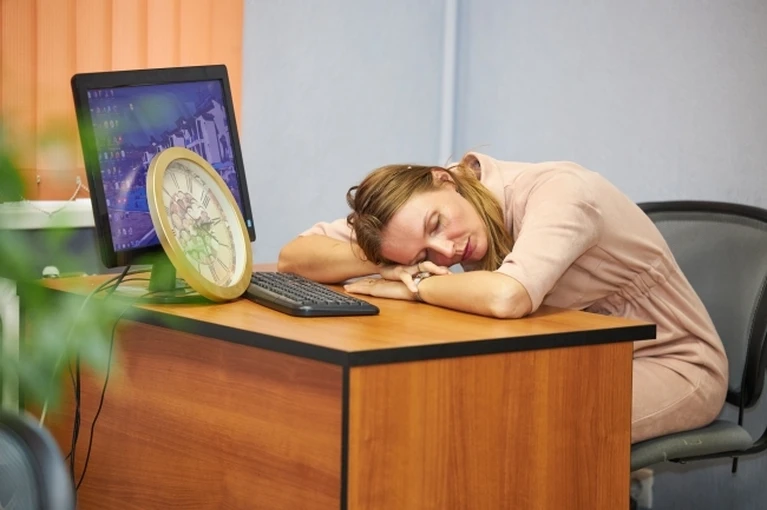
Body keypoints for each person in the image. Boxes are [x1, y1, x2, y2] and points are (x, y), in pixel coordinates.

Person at [278, 151, 728, 444]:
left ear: (444, 179)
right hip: (580, 361)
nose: (446, 252)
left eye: (437, 226)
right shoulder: (423, 211)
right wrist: (386, 259)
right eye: (424, 255)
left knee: (514, 434)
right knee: (440, 412)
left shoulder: (562, 193)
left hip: (673, 364)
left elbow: (508, 296)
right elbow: (293, 257)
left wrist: (413, 286)